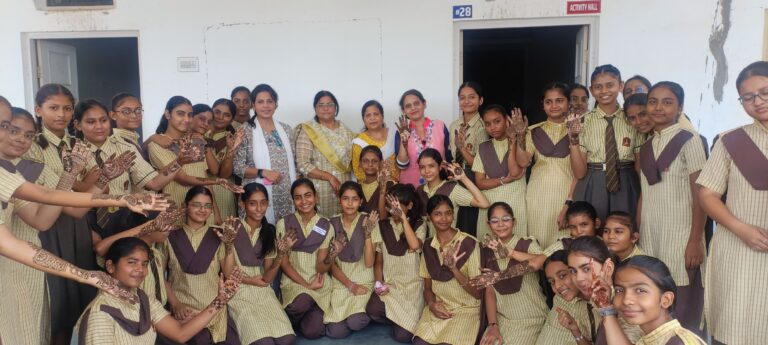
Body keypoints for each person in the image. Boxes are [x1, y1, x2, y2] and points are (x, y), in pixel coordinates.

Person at [696, 61, 768, 345]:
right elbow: (707, 194)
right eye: (748, 97)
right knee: (737, 324)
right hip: (739, 247)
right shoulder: (731, 141)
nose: (758, 101)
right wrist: (742, 229)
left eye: (764, 92)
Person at [24, 83, 100, 345]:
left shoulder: (77, 144)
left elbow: (88, 187)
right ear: (38, 110)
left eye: (67, 108)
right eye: (53, 108)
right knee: (57, 303)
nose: (61, 114)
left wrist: (102, 179)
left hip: (77, 226)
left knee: (77, 300)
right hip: (48, 226)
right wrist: (81, 185)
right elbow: (54, 194)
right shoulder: (32, 147)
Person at [75, 237, 244, 345]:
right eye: (132, 262)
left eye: (144, 264)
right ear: (110, 266)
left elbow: (180, 333)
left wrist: (221, 299)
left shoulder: (143, 299)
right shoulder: (100, 313)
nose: (140, 270)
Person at [638, 81, 707, 331]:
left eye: (667, 102)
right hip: (651, 236)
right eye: (653, 101)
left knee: (683, 302)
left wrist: (696, 239)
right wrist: (639, 233)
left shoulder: (690, 140)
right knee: (653, 296)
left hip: (681, 237)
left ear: (680, 107)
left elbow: (701, 194)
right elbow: (644, 195)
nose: (659, 107)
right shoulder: (646, 146)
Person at [161, 186, 240, 344]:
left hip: (216, 310)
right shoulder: (169, 235)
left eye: (208, 206)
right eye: (196, 205)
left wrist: (229, 245)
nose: (202, 210)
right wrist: (176, 305)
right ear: (185, 206)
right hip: (185, 312)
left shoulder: (219, 235)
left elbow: (230, 276)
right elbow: (159, 275)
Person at [571, 64, 643, 221]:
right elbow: (579, 173)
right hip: (593, 181)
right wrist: (573, 139)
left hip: (626, 180)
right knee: (594, 231)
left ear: (620, 86)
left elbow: (638, 166)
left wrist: (642, 192)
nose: (604, 91)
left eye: (610, 85)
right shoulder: (583, 122)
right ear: (591, 90)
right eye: (598, 87)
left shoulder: (631, 119)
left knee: (624, 228)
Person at [228, 183, 296, 345]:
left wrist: (280, 255)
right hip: (237, 290)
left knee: (287, 339)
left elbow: (267, 278)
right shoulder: (231, 227)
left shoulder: (269, 232)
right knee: (263, 342)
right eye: (252, 203)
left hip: (262, 290)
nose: (259, 208)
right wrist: (251, 281)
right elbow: (227, 271)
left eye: (263, 203)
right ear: (242, 204)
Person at [412, 195, 481, 345]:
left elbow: (478, 293)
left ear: (453, 215)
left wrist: (453, 269)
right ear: (429, 217)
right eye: (437, 214)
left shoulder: (470, 243)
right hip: (441, 307)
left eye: (448, 213)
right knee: (419, 342)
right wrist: (432, 305)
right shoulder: (429, 246)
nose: (444, 218)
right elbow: (428, 288)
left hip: (466, 310)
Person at [477, 202, 548, 345]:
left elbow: (543, 262)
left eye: (506, 219)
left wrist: (510, 253)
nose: (501, 224)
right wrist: (493, 325)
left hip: (532, 318)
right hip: (502, 320)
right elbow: (489, 291)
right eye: (495, 221)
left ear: (514, 222)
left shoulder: (528, 244)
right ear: (488, 224)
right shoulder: (485, 251)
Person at [518, 83, 579, 247]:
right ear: (543, 105)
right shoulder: (533, 131)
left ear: (568, 103)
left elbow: (579, 173)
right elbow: (523, 162)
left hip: (565, 195)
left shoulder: (578, 129)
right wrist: (520, 136)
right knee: (537, 244)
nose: (554, 106)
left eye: (559, 101)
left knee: (563, 247)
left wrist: (569, 204)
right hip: (537, 198)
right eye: (548, 102)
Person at [596, 255, 706, 345]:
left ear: (666, 300)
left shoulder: (678, 342)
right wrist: (606, 306)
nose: (626, 300)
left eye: (640, 290)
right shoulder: (654, 338)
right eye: (619, 290)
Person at [277, 178, 337, 339]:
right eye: (298, 197)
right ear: (293, 200)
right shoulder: (284, 223)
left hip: (318, 282)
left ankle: (302, 316)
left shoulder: (326, 225)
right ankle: (285, 321)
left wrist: (331, 256)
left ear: (316, 196)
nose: (304, 201)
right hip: (294, 282)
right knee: (302, 302)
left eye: (308, 195)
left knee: (313, 332)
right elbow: (284, 262)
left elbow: (320, 268)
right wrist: (306, 285)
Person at [146, 97, 232, 209]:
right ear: (167, 114)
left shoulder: (196, 141)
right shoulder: (157, 143)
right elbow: (184, 179)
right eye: (180, 114)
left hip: (204, 211)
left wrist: (215, 212)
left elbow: (203, 175)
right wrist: (217, 182)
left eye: (190, 115)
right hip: (176, 208)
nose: (186, 119)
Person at [366, 184, 425, 343]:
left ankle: (400, 321)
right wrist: (379, 284)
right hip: (391, 285)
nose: (393, 210)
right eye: (390, 205)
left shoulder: (419, 224)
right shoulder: (384, 226)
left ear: (410, 205)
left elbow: (414, 245)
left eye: (397, 206)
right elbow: (378, 262)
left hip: (412, 286)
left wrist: (404, 218)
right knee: (371, 310)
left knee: (403, 337)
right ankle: (396, 319)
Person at [234, 84, 297, 223]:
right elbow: (238, 168)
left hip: (286, 195)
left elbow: (295, 164)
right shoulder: (244, 131)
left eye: (270, 101)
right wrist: (263, 172)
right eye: (260, 102)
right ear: (253, 105)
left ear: (276, 104)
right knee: (261, 238)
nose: (266, 106)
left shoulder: (286, 129)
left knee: (285, 235)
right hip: (257, 198)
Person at [567, 236, 644, 344]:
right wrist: (576, 332)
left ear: (608, 269)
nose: (579, 279)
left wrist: (606, 308)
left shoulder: (626, 302)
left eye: (586, 269)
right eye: (573, 271)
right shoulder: (589, 303)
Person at [325, 182, 378, 338]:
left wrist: (367, 234)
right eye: (345, 198)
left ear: (361, 202)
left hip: (364, 280)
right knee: (336, 332)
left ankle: (360, 316)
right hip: (341, 282)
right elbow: (330, 263)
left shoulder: (369, 221)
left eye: (354, 199)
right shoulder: (331, 224)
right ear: (339, 200)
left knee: (356, 321)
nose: (350, 203)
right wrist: (350, 285)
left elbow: (369, 263)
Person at [295, 90, 356, 217]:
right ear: (315, 109)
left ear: (336, 108)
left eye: (330, 104)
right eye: (321, 105)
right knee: (320, 229)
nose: (326, 108)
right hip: (319, 191)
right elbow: (302, 164)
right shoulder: (308, 130)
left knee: (342, 227)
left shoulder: (347, 131)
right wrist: (329, 177)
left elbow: (354, 163)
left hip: (343, 190)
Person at [472, 104, 526, 238]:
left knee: (516, 246)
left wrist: (513, 139)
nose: (492, 127)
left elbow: (515, 173)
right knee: (489, 249)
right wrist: (504, 180)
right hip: (489, 204)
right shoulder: (483, 148)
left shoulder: (522, 140)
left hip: (515, 203)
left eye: (497, 121)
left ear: (507, 120)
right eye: (488, 124)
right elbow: (480, 182)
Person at [450, 82, 490, 233]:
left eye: (472, 97)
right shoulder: (454, 125)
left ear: (480, 100)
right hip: (455, 176)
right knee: (455, 219)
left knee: (469, 220)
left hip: (473, 176)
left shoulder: (483, 126)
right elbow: (454, 156)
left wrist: (461, 147)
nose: (466, 101)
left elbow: (481, 164)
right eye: (462, 98)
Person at [416, 148, 489, 232]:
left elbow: (484, 203)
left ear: (440, 167)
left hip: (450, 242)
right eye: (422, 167)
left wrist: (463, 178)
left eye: (431, 166)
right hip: (428, 243)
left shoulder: (451, 188)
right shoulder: (420, 190)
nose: (426, 171)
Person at [535, 250, 599, 345]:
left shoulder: (599, 304)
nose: (557, 286)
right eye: (552, 282)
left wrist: (576, 331)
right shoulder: (559, 298)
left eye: (562, 276)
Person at [394, 89, 452, 187]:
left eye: (416, 103)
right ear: (403, 111)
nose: (413, 108)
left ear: (424, 104)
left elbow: (449, 157)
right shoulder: (401, 132)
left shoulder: (440, 126)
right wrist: (404, 142)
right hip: (411, 189)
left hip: (440, 185)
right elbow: (402, 165)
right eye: (408, 106)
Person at [206, 99, 245, 219]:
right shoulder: (198, 133)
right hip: (197, 188)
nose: (220, 117)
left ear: (232, 119)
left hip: (223, 192)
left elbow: (224, 174)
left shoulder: (233, 139)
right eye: (217, 112)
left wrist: (231, 150)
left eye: (226, 115)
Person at [351, 100, 399, 182]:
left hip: (396, 186)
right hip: (371, 190)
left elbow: (402, 162)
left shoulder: (394, 134)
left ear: (382, 116)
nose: (372, 118)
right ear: (364, 119)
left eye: (376, 114)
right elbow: (357, 171)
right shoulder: (359, 142)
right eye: (368, 115)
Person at [357, 145, 394, 215]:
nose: (370, 164)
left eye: (374, 161)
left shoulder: (389, 185)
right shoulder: (356, 187)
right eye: (365, 161)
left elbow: (384, 216)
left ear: (381, 163)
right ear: (360, 164)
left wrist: (383, 188)